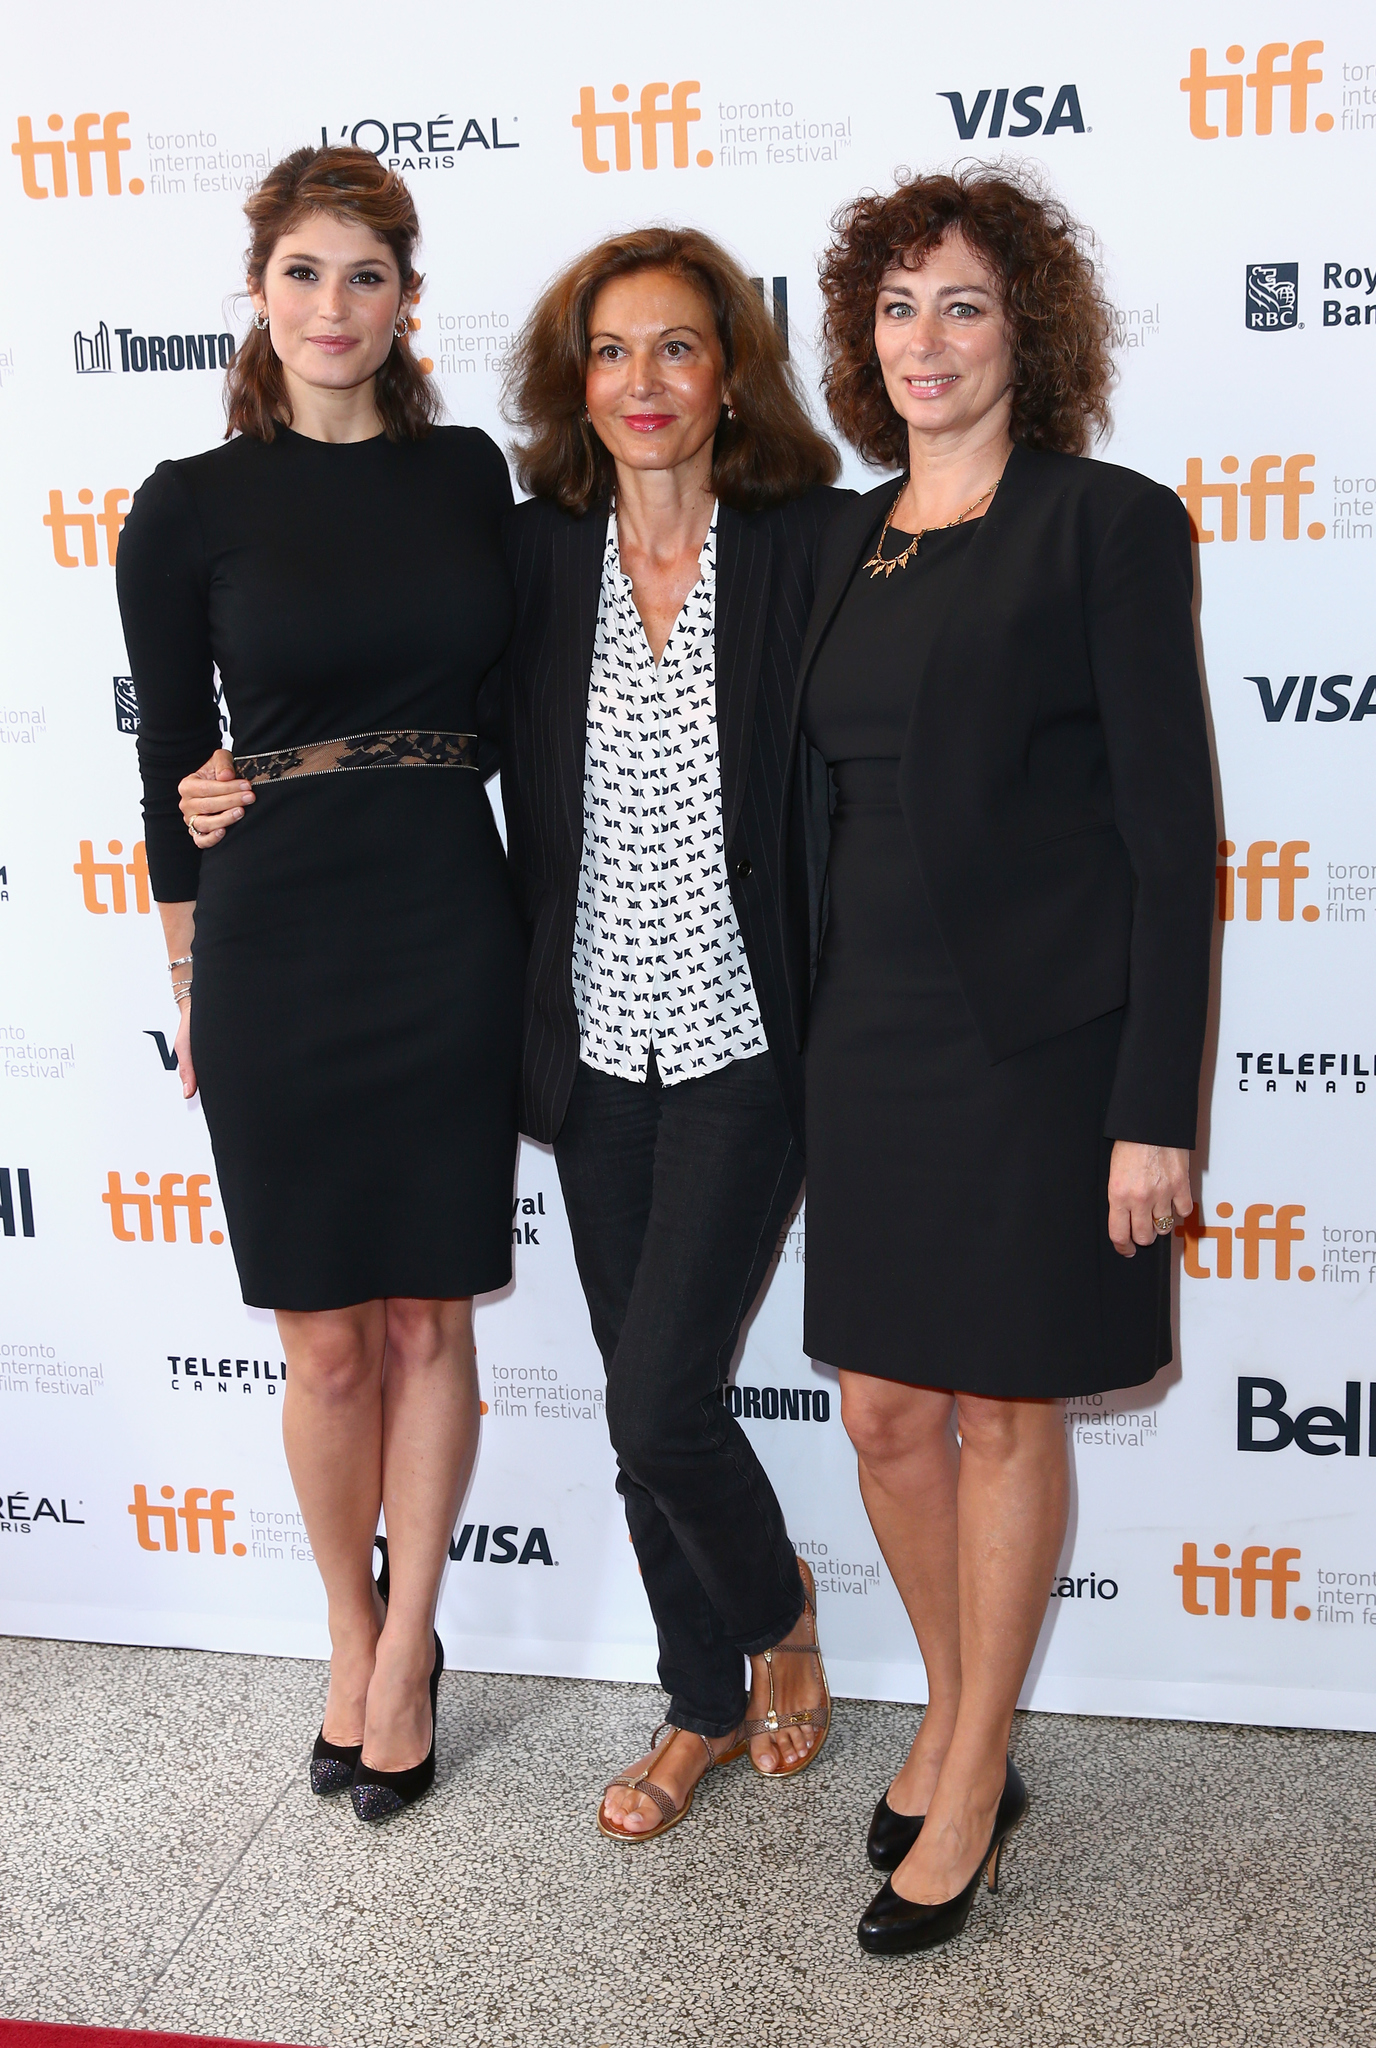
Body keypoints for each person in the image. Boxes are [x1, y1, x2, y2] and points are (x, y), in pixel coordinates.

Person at [786, 167, 1215, 1951]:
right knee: (885, 1407)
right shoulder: (839, 535)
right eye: (897, 307)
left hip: (1036, 1047)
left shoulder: (1103, 524)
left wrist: (1149, 1109)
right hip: (859, 1033)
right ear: (858, 339)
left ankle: (967, 1776)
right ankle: (968, 1711)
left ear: (1026, 332)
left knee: (1001, 1402)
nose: (926, 339)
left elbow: (1170, 830)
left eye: (963, 304)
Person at [116, 146, 525, 1824]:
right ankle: (346, 1637)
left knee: (430, 1315)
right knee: (327, 1345)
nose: (334, 307)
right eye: (303, 274)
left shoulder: (468, 475)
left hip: (444, 908)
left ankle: (413, 1647)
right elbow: (168, 767)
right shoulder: (186, 502)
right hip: (277, 931)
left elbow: (516, 706)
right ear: (260, 294)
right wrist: (192, 965)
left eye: (366, 276)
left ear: (408, 301)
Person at [500, 228, 845, 1839]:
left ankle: (777, 1622)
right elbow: (397, 700)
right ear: (581, 385)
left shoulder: (803, 549)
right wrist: (237, 777)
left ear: (728, 378)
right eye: (614, 352)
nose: (645, 383)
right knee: (652, 1414)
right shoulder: (535, 556)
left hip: (740, 1047)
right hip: (591, 1059)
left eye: (678, 349)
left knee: (659, 1405)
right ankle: (700, 1702)